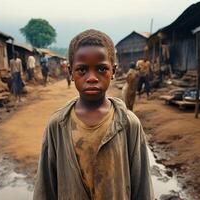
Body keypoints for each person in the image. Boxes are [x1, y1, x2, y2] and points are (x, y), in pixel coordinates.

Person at [33, 29, 153, 200]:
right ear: (70, 72)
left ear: (113, 71)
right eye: (82, 70)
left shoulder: (129, 124)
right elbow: (45, 187)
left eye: (101, 69)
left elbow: (142, 186)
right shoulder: (57, 124)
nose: (91, 78)